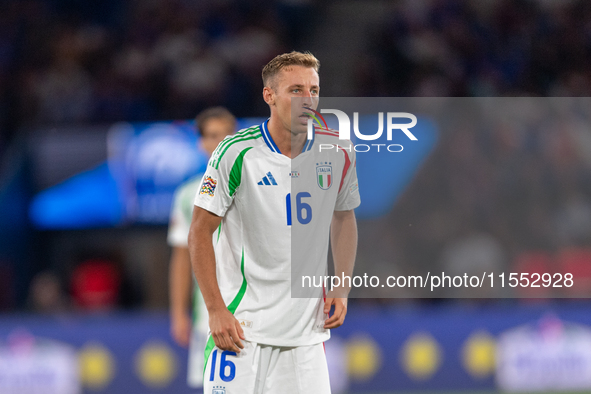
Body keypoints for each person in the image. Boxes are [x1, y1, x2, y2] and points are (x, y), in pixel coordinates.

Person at [189, 51, 360, 393]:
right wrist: (215, 309)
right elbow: (199, 232)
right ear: (270, 95)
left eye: (313, 89)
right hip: (241, 330)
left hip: (306, 336)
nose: (307, 99)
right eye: (296, 90)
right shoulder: (236, 153)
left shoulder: (338, 151)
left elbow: (344, 219)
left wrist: (341, 287)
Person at [168, 107, 236, 389]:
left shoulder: (260, 185)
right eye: (212, 136)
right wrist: (177, 312)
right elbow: (182, 258)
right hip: (208, 314)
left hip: (257, 308)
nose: (219, 143)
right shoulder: (188, 195)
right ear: (201, 142)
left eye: (226, 135)